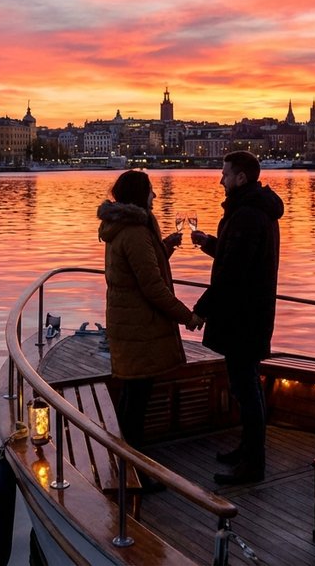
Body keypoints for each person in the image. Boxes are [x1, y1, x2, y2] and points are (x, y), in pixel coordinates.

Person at [97, 170, 203, 488]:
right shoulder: (136, 233)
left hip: (129, 324)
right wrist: (188, 316)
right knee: (136, 402)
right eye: (151, 192)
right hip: (140, 327)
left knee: (133, 395)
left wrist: (164, 247)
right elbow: (153, 287)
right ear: (140, 195)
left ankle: (128, 465)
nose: (155, 197)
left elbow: (139, 269)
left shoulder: (123, 229)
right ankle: (134, 473)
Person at [190, 151, 284, 485]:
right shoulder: (256, 211)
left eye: (225, 174)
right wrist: (209, 243)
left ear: (241, 178)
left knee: (246, 389)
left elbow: (232, 272)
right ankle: (247, 449)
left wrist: (201, 309)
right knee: (247, 385)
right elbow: (238, 254)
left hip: (244, 316)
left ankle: (253, 464)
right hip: (252, 313)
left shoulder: (246, 215)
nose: (220, 180)